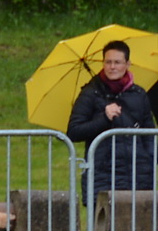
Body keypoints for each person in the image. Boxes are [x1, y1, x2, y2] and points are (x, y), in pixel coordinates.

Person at [66, 39, 155, 194]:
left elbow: (149, 133)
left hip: (139, 175)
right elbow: (74, 131)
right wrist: (104, 119)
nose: (112, 67)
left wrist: (149, 159)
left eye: (117, 62)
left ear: (127, 64)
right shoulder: (90, 93)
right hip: (103, 174)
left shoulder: (139, 94)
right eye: (108, 62)